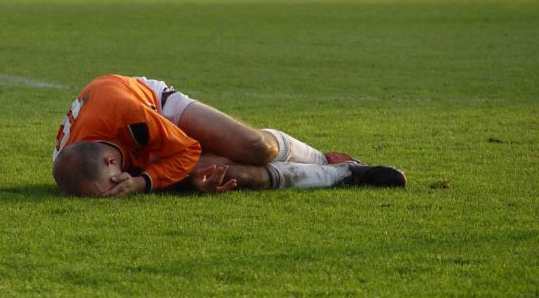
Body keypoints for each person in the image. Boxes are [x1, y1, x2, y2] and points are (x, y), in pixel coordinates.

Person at [52, 74, 405, 197]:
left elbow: (186, 150)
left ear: (111, 161)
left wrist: (144, 182)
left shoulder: (130, 116)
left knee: (255, 147)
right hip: (133, 146)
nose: (115, 192)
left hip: (155, 105)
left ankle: (321, 159)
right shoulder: (70, 166)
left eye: (113, 185)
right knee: (228, 173)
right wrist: (184, 183)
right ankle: (345, 174)